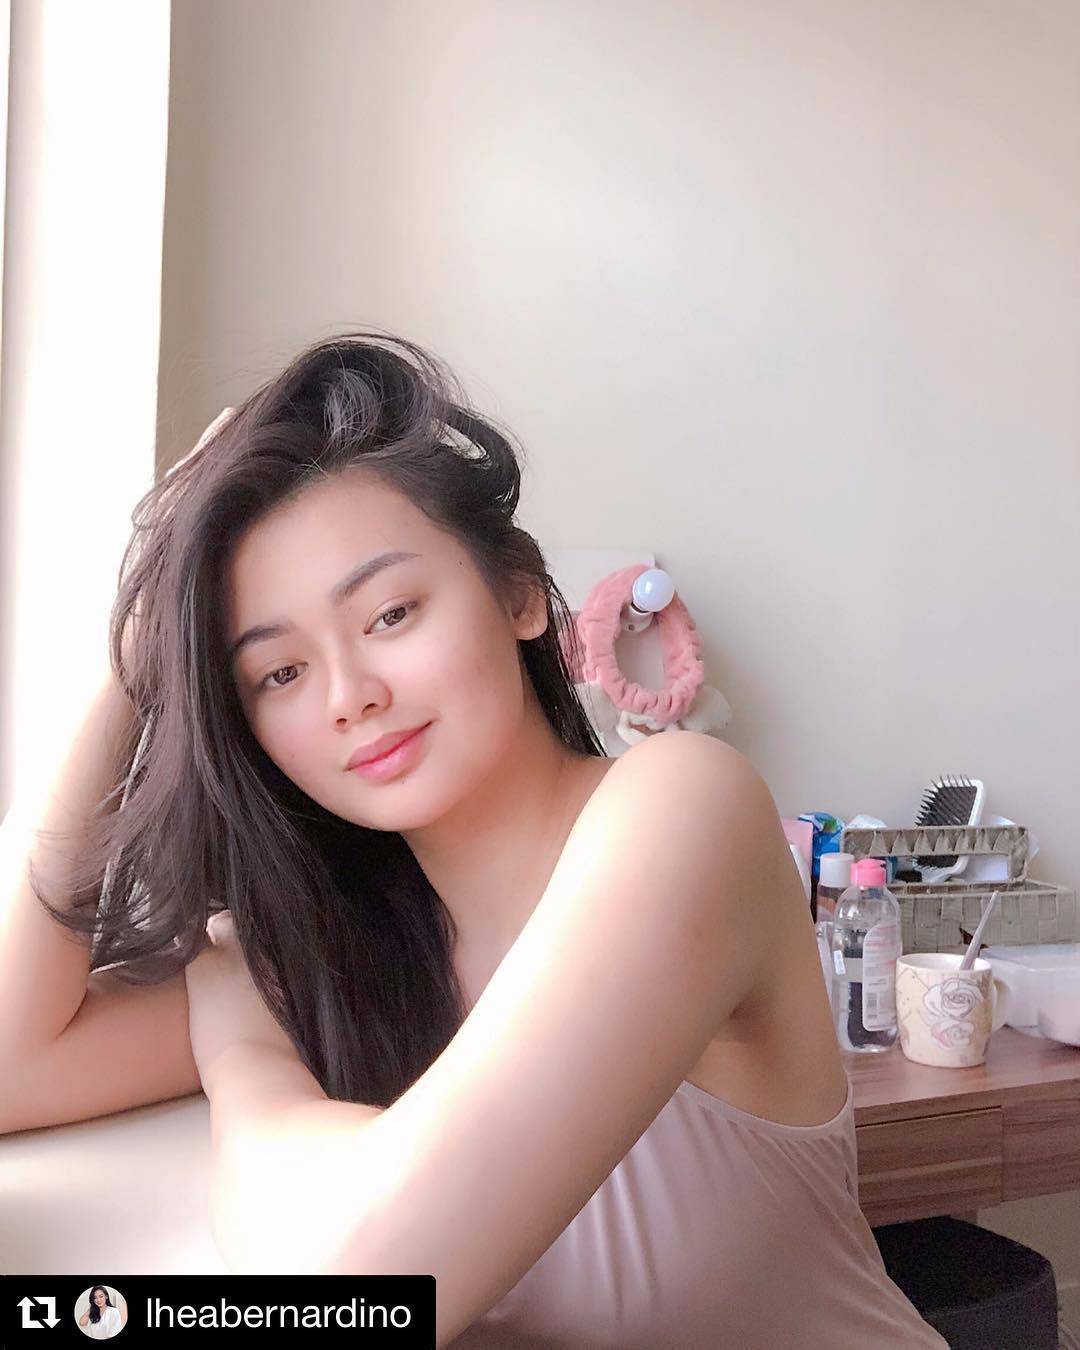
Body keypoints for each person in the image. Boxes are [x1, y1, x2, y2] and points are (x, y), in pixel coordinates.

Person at [1, 332, 947, 1347]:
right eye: (279, 673)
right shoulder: (334, 949)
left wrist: (241, 1049)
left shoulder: (684, 805)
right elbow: (14, 1067)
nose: (349, 696)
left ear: (519, 594)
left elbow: (355, 1288)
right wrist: (134, 660)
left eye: (391, 613)